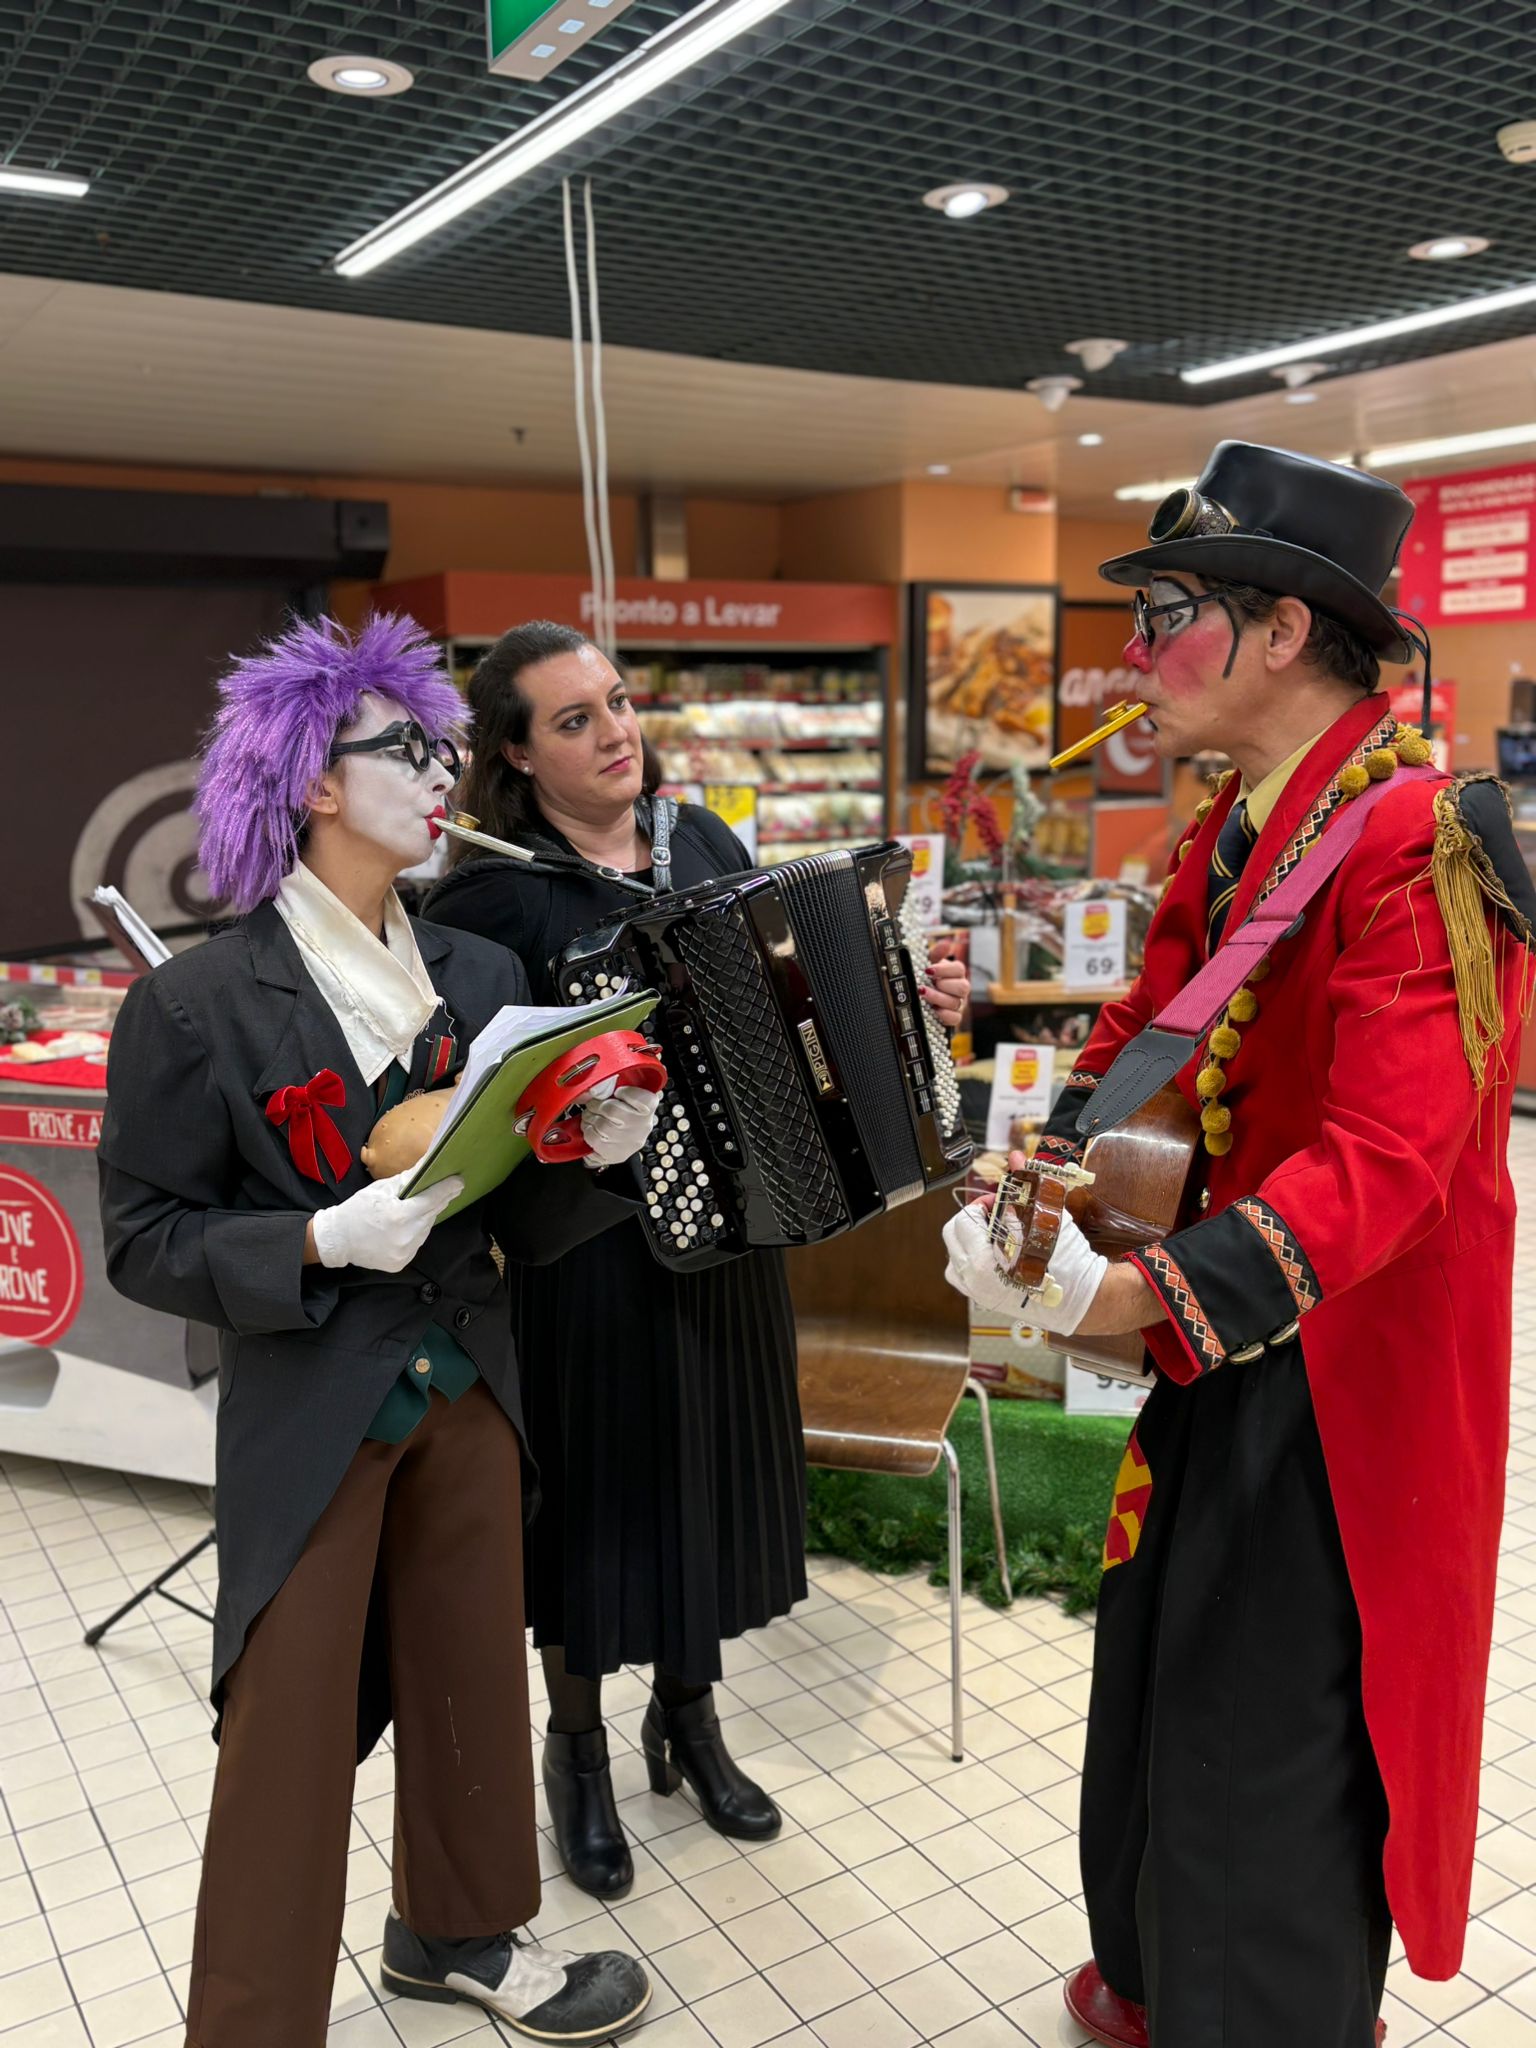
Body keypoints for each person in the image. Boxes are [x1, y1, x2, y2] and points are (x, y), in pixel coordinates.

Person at [944, 443, 1534, 2048]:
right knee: (1166, 1670)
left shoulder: (1428, 837)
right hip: (1227, 1336)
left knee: (1271, 1727)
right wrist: (1041, 1185)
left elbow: (1392, 1161)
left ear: (1283, 632)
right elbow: (1150, 1031)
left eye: (1172, 615)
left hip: (1340, 1372)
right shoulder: (1238, 825)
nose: (1139, 653)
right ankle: (1158, 1981)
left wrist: (1144, 1288)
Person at [97, 614, 663, 2048]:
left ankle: (459, 1933)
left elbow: (512, 1209)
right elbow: (144, 1238)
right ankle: (251, 2022)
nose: (441, 773)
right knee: (286, 1727)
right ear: (314, 780)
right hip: (311, 1412)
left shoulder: (477, 977)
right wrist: (312, 1239)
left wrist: (596, 1159)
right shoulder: (194, 1005)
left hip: (472, 1384)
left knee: (471, 1668)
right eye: (406, 748)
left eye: (445, 748)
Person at [424, 620, 969, 1898]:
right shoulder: (490, 901)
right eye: (575, 719)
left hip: (732, 1237)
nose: (616, 731)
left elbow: (801, 1010)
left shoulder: (704, 842)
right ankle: (575, 1748)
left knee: (705, 1484)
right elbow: (474, 1099)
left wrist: (909, 1002)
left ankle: (690, 1716)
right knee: (592, 1504)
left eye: (618, 702)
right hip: (582, 1259)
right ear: (517, 752)